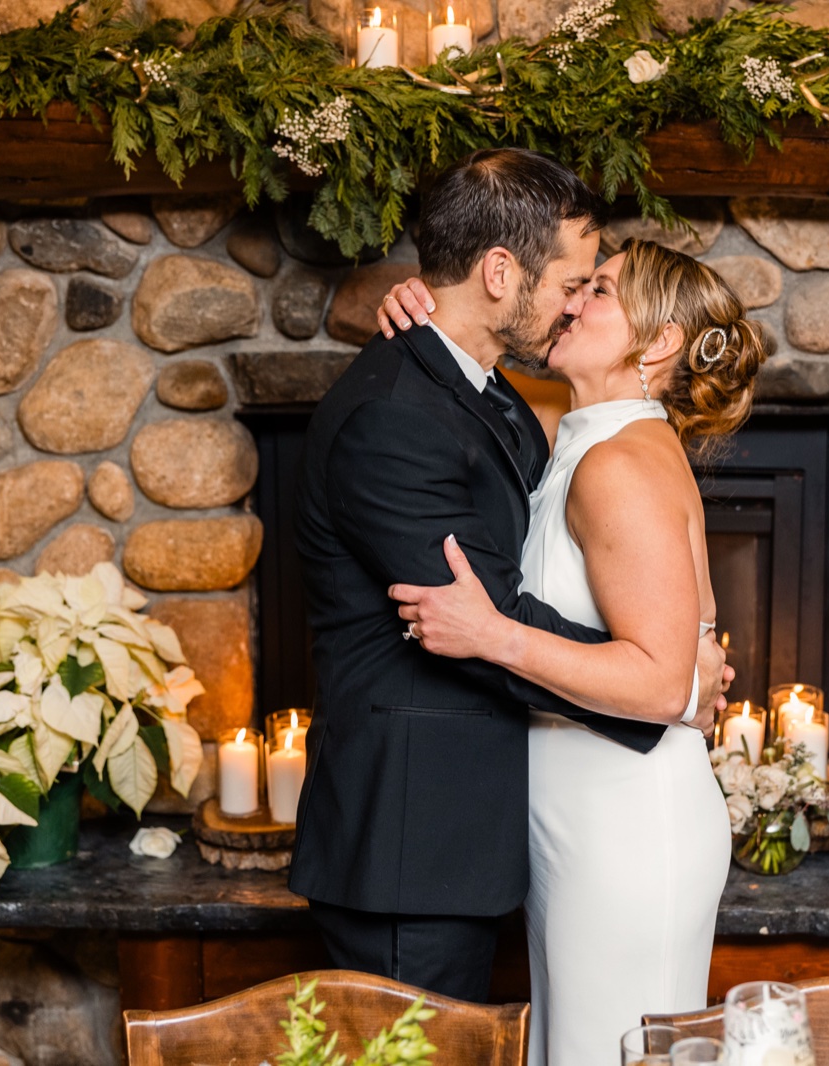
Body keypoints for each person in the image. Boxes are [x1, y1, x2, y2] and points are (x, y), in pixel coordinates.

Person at [291, 148, 732, 1006]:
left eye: (596, 290)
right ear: (501, 270)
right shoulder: (395, 415)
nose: (576, 299)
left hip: (490, 837)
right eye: (575, 280)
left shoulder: (491, 395)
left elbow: (519, 602)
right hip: (407, 848)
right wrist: (668, 682)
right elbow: (479, 620)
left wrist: (666, 662)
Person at [384, 238, 773, 1066]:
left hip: (627, 829)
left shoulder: (618, 463)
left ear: (658, 343)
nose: (571, 301)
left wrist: (491, 633)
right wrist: (419, 309)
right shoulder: (584, 435)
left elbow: (666, 681)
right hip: (580, 818)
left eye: (598, 291)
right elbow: (471, 373)